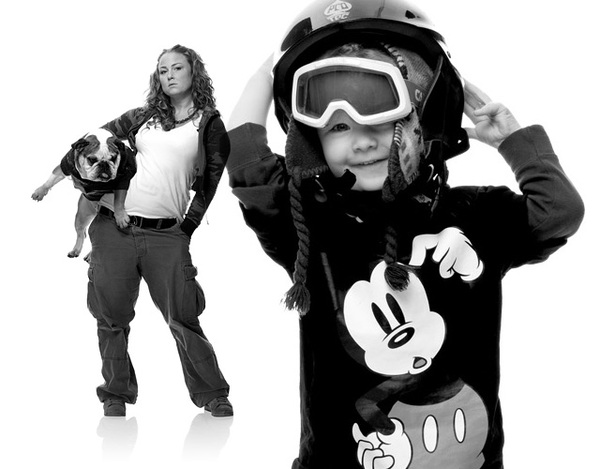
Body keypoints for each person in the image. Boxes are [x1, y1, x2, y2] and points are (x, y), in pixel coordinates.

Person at [226, 0, 584, 468]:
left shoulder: (477, 213)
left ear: (425, 117)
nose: (362, 140)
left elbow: (559, 211)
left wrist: (513, 141)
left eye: (381, 117)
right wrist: (270, 69)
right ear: (309, 143)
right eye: (338, 127)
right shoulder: (309, 225)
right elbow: (246, 161)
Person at [84, 44, 232, 418]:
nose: (169, 75)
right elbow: (95, 139)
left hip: (167, 234)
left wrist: (187, 228)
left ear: (194, 72)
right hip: (113, 228)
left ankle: (213, 393)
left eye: (176, 68)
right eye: (163, 70)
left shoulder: (209, 125)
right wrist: (91, 185)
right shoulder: (142, 117)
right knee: (111, 317)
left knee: (183, 315)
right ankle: (115, 394)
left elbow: (210, 182)